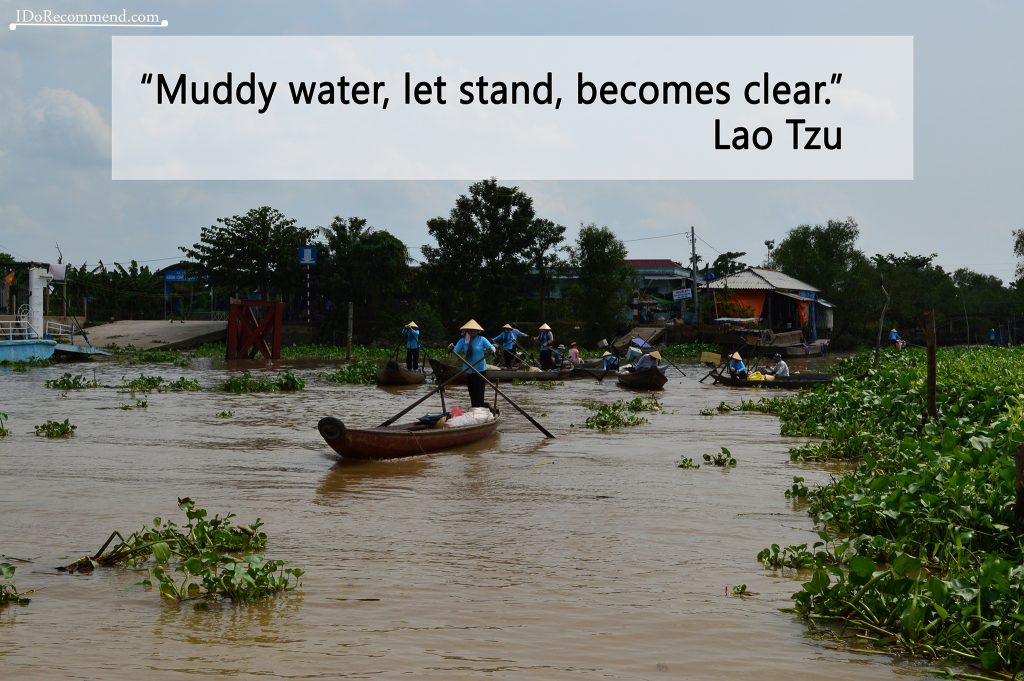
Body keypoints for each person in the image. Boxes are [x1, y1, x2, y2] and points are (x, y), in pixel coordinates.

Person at [450, 319, 496, 408]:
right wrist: (451, 348)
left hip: (480, 369)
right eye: (469, 330)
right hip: (469, 370)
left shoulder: (482, 339)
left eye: (474, 330)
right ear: (466, 330)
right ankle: (474, 408)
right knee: (472, 391)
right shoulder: (463, 340)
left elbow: (491, 347)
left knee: (480, 391)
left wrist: (492, 349)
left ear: (477, 331)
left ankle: (480, 408)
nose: (471, 332)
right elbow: (456, 350)